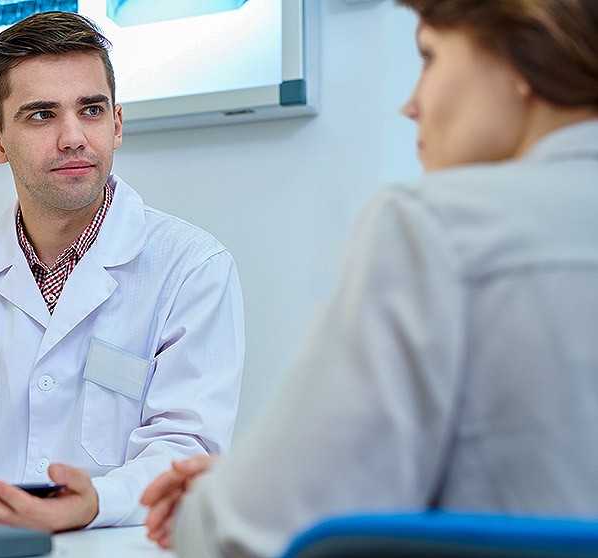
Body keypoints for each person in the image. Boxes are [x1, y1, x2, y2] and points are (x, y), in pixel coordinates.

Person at [141, 0, 598, 555]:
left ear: (521, 54)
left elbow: (249, 534)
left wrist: (222, 497)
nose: (411, 105)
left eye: (429, 56)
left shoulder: (432, 226)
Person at [0, 11, 244, 533]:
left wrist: (96, 503)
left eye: (91, 110)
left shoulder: (193, 268)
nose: (73, 137)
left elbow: (183, 451)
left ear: (118, 124)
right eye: (42, 115)